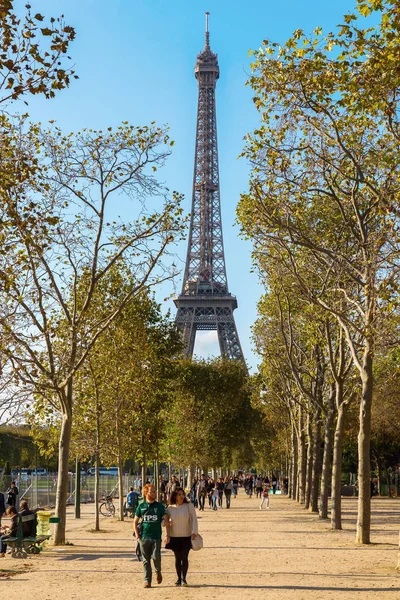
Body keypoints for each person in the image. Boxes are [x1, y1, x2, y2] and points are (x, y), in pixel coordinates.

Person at [134, 483, 168, 588]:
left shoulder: (159, 506)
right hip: (144, 537)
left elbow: (165, 518)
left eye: (154, 491)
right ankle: (147, 580)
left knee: (156, 556)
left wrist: (165, 521)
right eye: (151, 491)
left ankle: (158, 571)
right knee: (145, 560)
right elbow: (135, 522)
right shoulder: (141, 506)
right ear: (145, 493)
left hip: (156, 537)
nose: (154, 493)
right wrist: (137, 535)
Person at [166, 487, 198, 587]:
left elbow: (194, 519)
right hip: (175, 536)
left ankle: (184, 578)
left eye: (182, 494)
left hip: (186, 536)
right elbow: (165, 521)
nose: (181, 496)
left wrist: (194, 531)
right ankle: (178, 579)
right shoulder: (170, 508)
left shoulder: (189, 506)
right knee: (177, 558)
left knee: (184, 557)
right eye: (179, 494)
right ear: (175, 496)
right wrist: (166, 523)